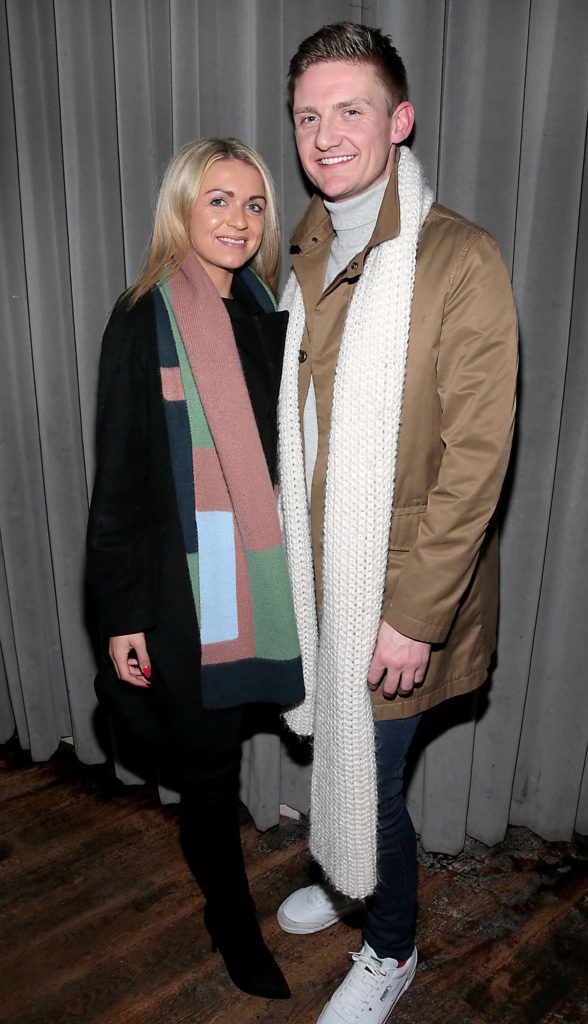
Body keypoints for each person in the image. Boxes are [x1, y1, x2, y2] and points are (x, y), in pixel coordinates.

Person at [275, 22, 518, 1023]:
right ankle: (347, 881)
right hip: (320, 578)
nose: (326, 134)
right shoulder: (306, 242)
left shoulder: (458, 258)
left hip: (402, 592)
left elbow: (476, 462)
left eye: (351, 109)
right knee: (344, 762)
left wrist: (413, 616)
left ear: (400, 119)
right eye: (308, 115)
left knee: (369, 781)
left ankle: (392, 947)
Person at [86, 137, 304, 1000]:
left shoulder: (267, 313)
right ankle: (231, 920)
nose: (239, 221)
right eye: (218, 200)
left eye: (253, 205)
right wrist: (119, 614)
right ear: (181, 208)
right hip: (182, 591)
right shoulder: (141, 317)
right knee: (211, 773)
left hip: (268, 576)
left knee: (240, 755)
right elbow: (122, 480)